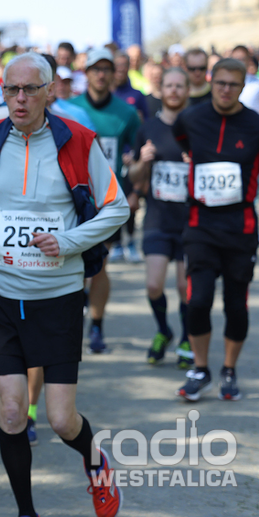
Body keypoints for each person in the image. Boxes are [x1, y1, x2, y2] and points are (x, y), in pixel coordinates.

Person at [0, 52, 128, 517]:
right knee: (10, 412)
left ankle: (95, 460)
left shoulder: (78, 140)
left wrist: (68, 241)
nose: (20, 98)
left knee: (61, 419)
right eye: (11, 90)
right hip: (0, 293)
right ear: (2, 93)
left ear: (49, 91)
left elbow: (117, 207)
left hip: (58, 295)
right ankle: (27, 515)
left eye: (30, 89)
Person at [173, 58, 259, 402]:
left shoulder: (255, 124)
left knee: (236, 305)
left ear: (243, 86)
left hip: (240, 227)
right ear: (211, 81)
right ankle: (200, 368)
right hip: (200, 224)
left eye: (233, 84)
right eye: (220, 82)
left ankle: (228, 369)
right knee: (198, 300)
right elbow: (181, 141)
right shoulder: (191, 118)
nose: (225, 90)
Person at [70, 48, 140, 353]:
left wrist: (135, 191)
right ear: (86, 73)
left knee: (99, 266)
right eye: (95, 69)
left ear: (114, 74)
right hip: (73, 200)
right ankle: (72, 321)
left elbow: (137, 155)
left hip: (107, 201)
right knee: (72, 268)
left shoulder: (127, 113)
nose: (101, 74)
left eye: (106, 69)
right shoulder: (70, 109)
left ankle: (96, 326)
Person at [129, 67, 193, 367]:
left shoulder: (195, 126)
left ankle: (187, 338)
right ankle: (164, 330)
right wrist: (142, 161)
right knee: (154, 285)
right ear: (162, 89)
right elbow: (134, 176)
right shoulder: (148, 128)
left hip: (190, 221)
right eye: (169, 85)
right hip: (157, 218)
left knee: (185, 287)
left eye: (180, 86)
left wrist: (196, 163)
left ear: (187, 90)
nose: (174, 91)